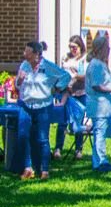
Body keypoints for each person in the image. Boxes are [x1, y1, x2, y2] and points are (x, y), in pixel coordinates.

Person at [16, 40, 71, 180]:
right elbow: (17, 85)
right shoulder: (24, 65)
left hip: (43, 106)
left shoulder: (48, 67)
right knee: (23, 136)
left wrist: (57, 88)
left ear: (37, 55)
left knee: (43, 139)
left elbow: (66, 76)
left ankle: (45, 171)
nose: (25, 55)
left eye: (28, 53)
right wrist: (20, 80)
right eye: (25, 52)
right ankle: (28, 169)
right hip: (26, 105)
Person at [84, 36, 111, 173]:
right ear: (100, 49)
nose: (109, 50)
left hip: (105, 107)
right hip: (99, 106)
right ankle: (101, 163)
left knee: (102, 133)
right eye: (107, 48)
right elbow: (96, 85)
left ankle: (101, 160)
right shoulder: (96, 65)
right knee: (99, 134)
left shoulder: (101, 64)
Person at [55, 36, 88, 161]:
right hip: (66, 93)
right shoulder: (66, 57)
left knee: (78, 122)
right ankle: (58, 148)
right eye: (70, 47)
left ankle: (78, 149)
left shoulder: (84, 59)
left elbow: (85, 75)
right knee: (62, 120)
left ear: (80, 47)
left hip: (80, 93)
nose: (72, 49)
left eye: (74, 47)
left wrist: (74, 75)